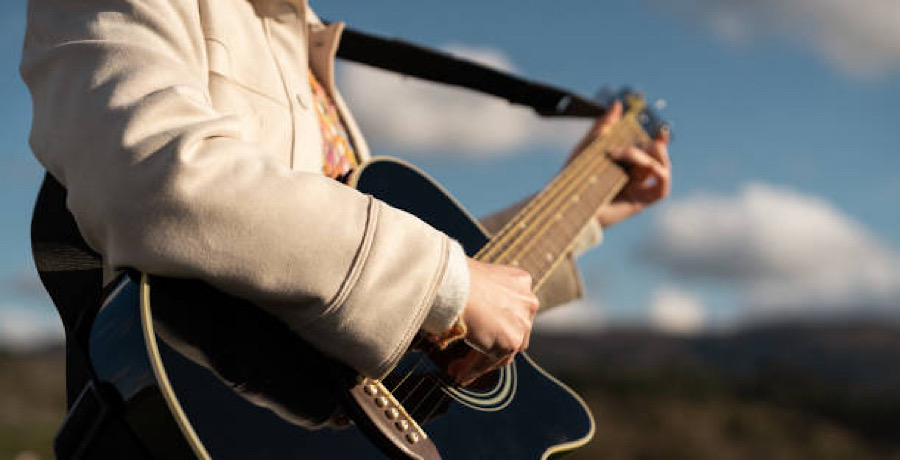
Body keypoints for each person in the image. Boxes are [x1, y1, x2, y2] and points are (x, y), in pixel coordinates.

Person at [21, 0, 670, 394]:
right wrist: (444, 279)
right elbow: (150, 173)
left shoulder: (298, 45)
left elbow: (390, 282)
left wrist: (584, 209)